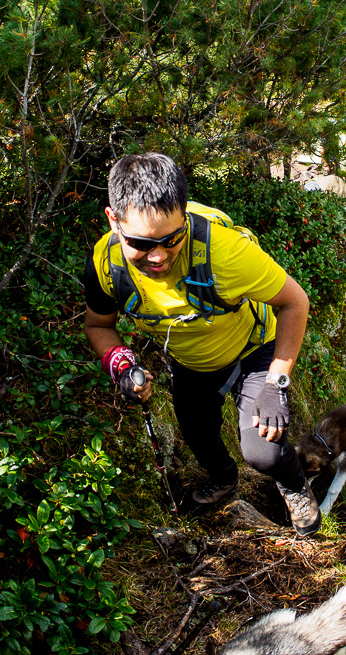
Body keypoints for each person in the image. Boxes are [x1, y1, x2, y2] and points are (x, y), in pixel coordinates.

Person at [82, 153, 322, 536]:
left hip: (252, 348)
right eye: (141, 243)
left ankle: (294, 485)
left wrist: (277, 382)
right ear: (114, 220)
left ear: (184, 219)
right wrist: (121, 363)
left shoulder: (225, 253)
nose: (158, 256)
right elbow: (98, 325)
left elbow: (295, 302)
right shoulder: (105, 263)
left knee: (264, 451)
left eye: (171, 239)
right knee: (197, 435)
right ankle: (224, 479)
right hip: (189, 360)